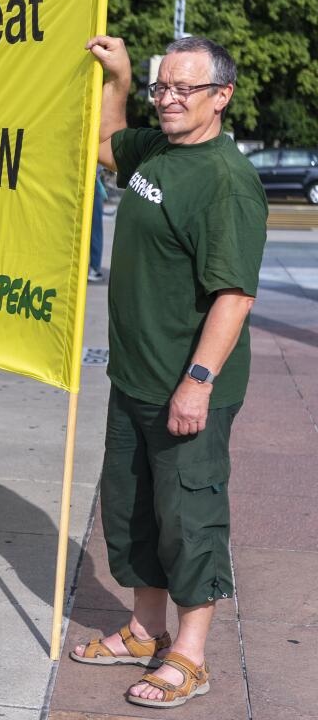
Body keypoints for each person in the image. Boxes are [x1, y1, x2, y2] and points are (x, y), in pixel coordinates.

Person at [72, 35, 267, 709]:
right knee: (131, 516)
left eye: (185, 89)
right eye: (163, 87)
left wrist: (198, 382)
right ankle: (143, 629)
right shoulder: (158, 149)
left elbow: (235, 295)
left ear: (222, 96)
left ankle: (189, 655)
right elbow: (104, 145)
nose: (171, 99)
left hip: (187, 387)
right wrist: (120, 79)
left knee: (189, 517)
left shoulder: (225, 181)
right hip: (134, 376)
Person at [88, 164, 107, 282]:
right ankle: (94, 268)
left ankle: (94, 267)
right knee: (95, 229)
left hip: (92, 180)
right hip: (93, 180)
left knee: (94, 229)